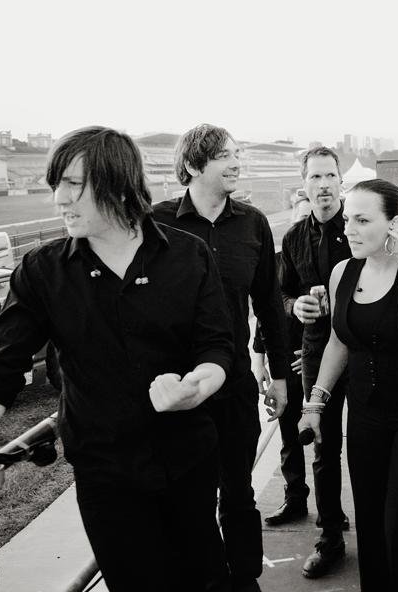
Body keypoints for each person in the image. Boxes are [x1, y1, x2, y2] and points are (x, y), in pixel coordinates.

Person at [0, 127, 234, 591]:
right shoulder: (42, 271)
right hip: (107, 479)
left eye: (73, 184)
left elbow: (216, 346)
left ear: (120, 184)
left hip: (190, 463)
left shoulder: (189, 255)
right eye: (55, 185)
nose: (58, 199)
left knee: (209, 580)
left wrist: (199, 386)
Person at [152, 123, 291, 592]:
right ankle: (207, 579)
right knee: (189, 497)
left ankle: (245, 578)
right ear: (194, 165)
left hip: (233, 386)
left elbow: (269, 304)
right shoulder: (157, 224)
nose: (236, 163)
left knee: (238, 493)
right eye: (224, 156)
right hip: (180, 390)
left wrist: (279, 375)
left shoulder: (252, 223)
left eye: (237, 154)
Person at [299, 178, 398, 591]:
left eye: (362, 220)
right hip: (366, 413)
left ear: (394, 224)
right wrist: (315, 404)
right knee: (368, 519)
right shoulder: (343, 272)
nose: (348, 229)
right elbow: (339, 342)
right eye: (348, 219)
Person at [277, 146, 353, 578]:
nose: (323, 185)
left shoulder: (360, 225)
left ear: (340, 180)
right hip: (316, 349)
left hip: (364, 349)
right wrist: (295, 307)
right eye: (314, 177)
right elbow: (281, 294)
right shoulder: (293, 239)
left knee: (370, 441)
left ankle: (384, 526)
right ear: (303, 184)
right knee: (323, 446)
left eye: (329, 176)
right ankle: (330, 539)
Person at [252, 194, 310, 525]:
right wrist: (258, 360)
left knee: (324, 439)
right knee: (288, 435)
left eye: (308, 220)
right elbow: (264, 315)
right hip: (284, 358)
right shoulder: (275, 261)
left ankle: (332, 509)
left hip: (319, 359)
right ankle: (295, 498)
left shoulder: (329, 259)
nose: (303, 225)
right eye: (298, 219)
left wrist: (314, 356)